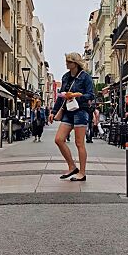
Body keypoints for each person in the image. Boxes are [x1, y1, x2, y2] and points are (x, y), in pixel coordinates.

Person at [49, 52, 94, 181]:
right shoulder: (65, 77)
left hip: (81, 111)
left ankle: (82, 173)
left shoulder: (85, 77)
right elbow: (60, 96)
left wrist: (75, 95)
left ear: (76, 63)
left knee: (79, 143)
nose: (66, 64)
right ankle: (72, 166)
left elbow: (91, 95)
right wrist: (53, 112)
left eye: (69, 61)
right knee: (59, 139)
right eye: (66, 61)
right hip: (68, 111)